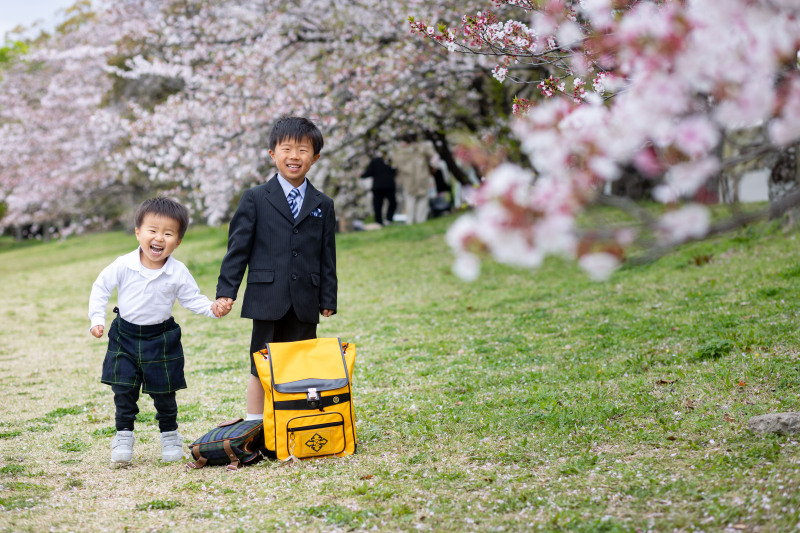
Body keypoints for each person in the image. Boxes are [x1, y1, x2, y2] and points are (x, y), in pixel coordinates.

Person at [215, 116, 337, 422]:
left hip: (305, 299)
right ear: (273, 154)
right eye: (286, 149)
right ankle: (255, 426)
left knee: (300, 363)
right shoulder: (255, 198)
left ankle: (294, 421)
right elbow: (237, 250)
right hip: (266, 296)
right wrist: (226, 293)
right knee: (261, 365)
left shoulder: (323, 203)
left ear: (315, 158)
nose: (294, 156)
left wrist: (328, 298)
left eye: (303, 150)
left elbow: (327, 255)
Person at [88, 196, 224, 465]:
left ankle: (170, 435)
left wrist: (212, 308)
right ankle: (123, 435)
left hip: (161, 337)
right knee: (123, 388)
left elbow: (191, 298)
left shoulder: (178, 271)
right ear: (138, 233)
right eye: (152, 230)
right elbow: (100, 288)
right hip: (125, 336)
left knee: (165, 391)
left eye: (168, 233)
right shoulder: (123, 264)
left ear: (178, 241)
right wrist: (96, 319)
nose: (159, 238)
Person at [391, 139, 438, 224]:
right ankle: (419, 220)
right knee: (419, 199)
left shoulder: (400, 151)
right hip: (419, 177)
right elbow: (434, 157)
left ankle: (411, 221)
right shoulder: (422, 147)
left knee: (411, 199)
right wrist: (433, 167)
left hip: (410, 178)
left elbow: (395, 164)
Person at [360, 155, 397, 226]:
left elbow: (368, 172)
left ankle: (379, 222)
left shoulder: (376, 160)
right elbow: (395, 171)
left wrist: (361, 175)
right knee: (391, 203)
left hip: (380, 186)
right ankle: (388, 219)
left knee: (378, 205)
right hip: (387, 185)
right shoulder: (390, 160)